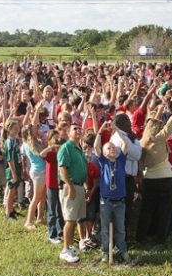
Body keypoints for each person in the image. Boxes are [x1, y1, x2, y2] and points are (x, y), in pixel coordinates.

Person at [136, 98, 172, 244]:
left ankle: (141, 236)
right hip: (166, 179)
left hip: (149, 179)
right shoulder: (161, 138)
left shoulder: (141, 144)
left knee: (147, 210)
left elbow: (151, 127)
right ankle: (161, 238)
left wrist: (159, 110)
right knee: (164, 211)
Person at [94, 121, 130, 263]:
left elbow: (126, 144)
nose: (113, 149)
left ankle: (122, 250)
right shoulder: (103, 161)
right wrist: (100, 131)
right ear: (104, 153)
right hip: (106, 201)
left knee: (120, 228)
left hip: (120, 201)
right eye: (109, 148)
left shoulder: (120, 160)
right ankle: (105, 252)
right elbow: (96, 147)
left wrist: (116, 131)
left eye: (114, 147)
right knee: (104, 229)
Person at [57, 124, 88, 263]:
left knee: (75, 219)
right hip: (71, 187)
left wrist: (85, 187)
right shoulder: (66, 147)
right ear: (68, 133)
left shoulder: (79, 148)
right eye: (74, 128)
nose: (78, 130)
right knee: (69, 220)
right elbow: (62, 168)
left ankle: (69, 246)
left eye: (79, 128)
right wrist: (70, 187)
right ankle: (65, 250)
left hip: (80, 186)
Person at [109, 112, 142, 240]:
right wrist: (136, 145)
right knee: (122, 209)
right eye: (126, 121)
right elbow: (137, 154)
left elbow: (138, 152)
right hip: (122, 177)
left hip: (129, 177)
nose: (129, 123)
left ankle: (124, 237)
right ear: (119, 125)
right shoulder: (119, 138)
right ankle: (120, 238)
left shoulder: (130, 136)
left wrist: (136, 144)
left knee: (128, 208)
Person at [40, 129, 65, 243]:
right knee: (51, 210)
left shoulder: (62, 155)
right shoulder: (50, 154)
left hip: (60, 185)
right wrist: (51, 147)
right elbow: (41, 154)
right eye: (57, 146)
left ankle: (60, 232)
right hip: (51, 185)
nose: (58, 148)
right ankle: (52, 233)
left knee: (60, 209)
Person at [3, 119, 22, 220]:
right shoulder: (9, 142)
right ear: (9, 130)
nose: (17, 130)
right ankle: (7, 212)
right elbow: (9, 159)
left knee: (14, 190)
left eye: (18, 128)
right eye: (15, 129)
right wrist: (13, 173)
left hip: (17, 168)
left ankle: (11, 209)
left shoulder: (15, 140)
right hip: (12, 170)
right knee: (11, 190)